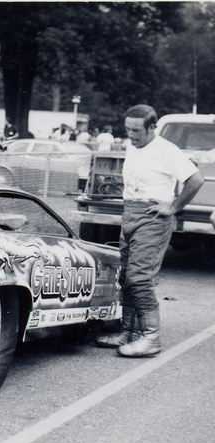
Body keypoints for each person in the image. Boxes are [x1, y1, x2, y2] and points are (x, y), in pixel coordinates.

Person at [95, 104, 204, 357]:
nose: (131, 135)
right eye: (128, 130)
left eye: (136, 130)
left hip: (153, 217)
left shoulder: (167, 150)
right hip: (130, 214)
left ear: (152, 127)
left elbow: (195, 179)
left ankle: (151, 338)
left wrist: (174, 207)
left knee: (140, 278)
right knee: (126, 278)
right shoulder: (133, 148)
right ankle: (129, 332)